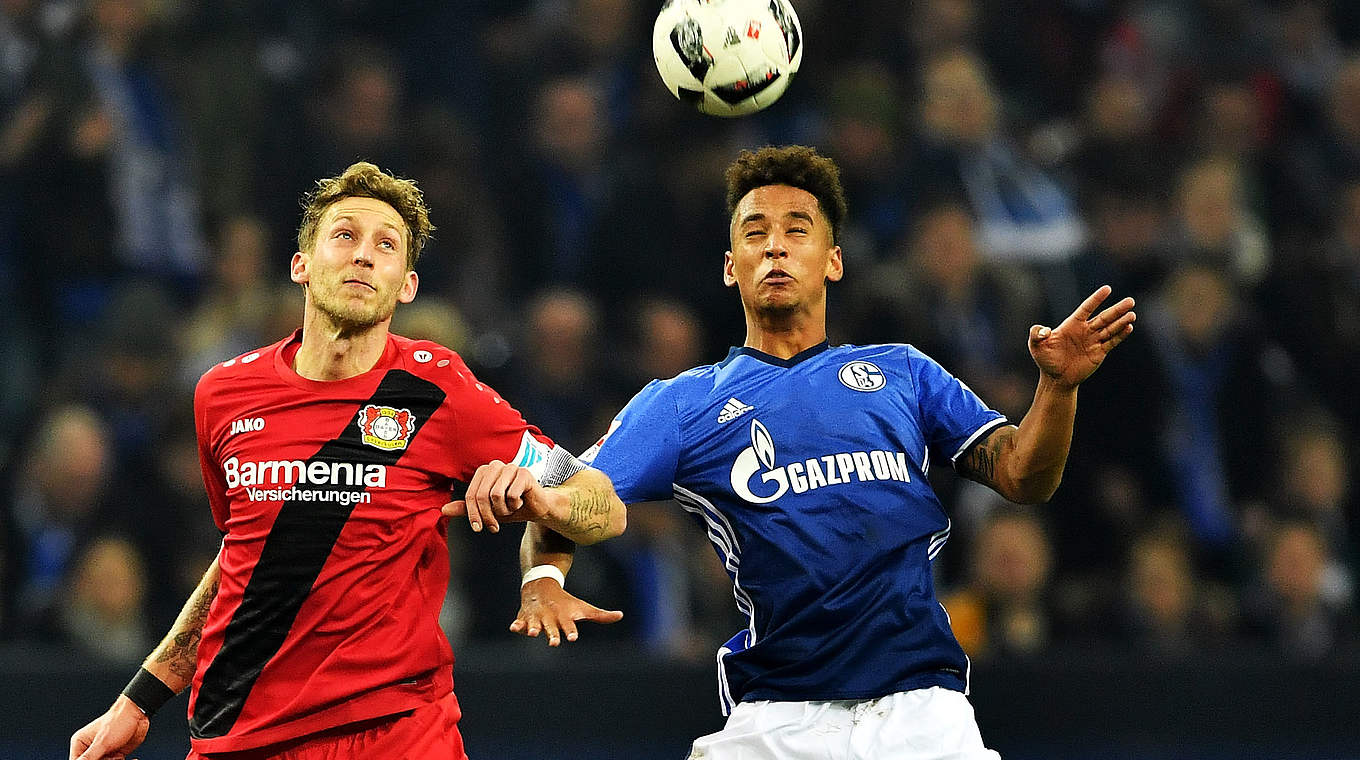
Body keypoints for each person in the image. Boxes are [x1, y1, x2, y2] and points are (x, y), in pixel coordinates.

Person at [503, 145, 1135, 759]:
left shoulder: (904, 374)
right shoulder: (682, 404)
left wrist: (1057, 388)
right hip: (777, 720)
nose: (775, 245)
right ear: (731, 266)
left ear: (833, 260)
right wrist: (543, 573)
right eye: (755, 233)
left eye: (796, 230)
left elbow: (1023, 476)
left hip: (920, 714)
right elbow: (576, 489)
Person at [69, 161, 626, 760]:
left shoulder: (435, 388)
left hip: (397, 733)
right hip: (239, 737)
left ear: (406, 284)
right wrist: (138, 699)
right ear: (300, 265)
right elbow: (245, 558)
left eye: (386, 245)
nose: (364, 255)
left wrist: (545, 501)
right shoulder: (222, 394)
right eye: (344, 236)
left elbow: (606, 506)